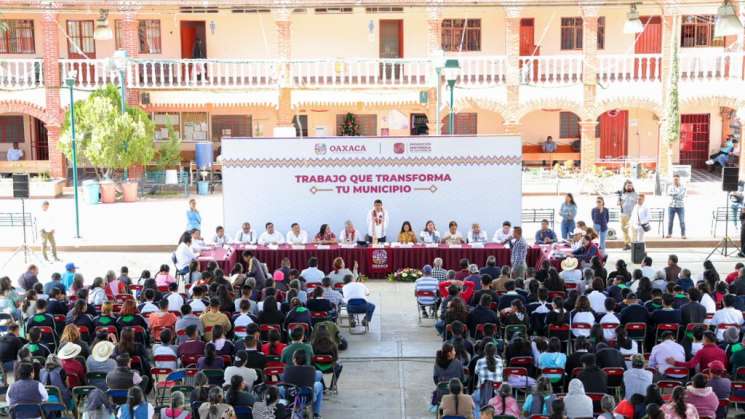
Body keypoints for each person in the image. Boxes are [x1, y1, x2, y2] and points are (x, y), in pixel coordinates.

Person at [281, 349, 323, 419]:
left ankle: (283, 408)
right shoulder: (311, 369)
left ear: (294, 359)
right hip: (308, 396)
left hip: (291, 396)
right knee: (319, 384)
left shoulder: (287, 369)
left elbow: (284, 382)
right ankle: (316, 414)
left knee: (281, 388)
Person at [619, 180, 638, 250]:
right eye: (628, 185)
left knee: (633, 230)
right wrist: (620, 201)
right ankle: (627, 244)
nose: (629, 186)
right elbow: (619, 204)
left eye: (630, 185)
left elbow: (637, 203)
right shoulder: (622, 194)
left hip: (632, 215)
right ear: (625, 186)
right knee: (624, 230)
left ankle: (634, 244)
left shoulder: (635, 194)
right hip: (623, 214)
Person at [666, 174, 687, 239]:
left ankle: (683, 234)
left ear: (679, 179)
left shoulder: (683, 187)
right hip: (671, 206)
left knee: (682, 221)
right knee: (670, 221)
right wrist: (677, 194)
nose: (675, 181)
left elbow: (682, 196)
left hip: (680, 207)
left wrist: (674, 194)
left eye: (677, 179)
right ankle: (669, 234)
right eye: (674, 179)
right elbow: (669, 193)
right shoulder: (670, 187)